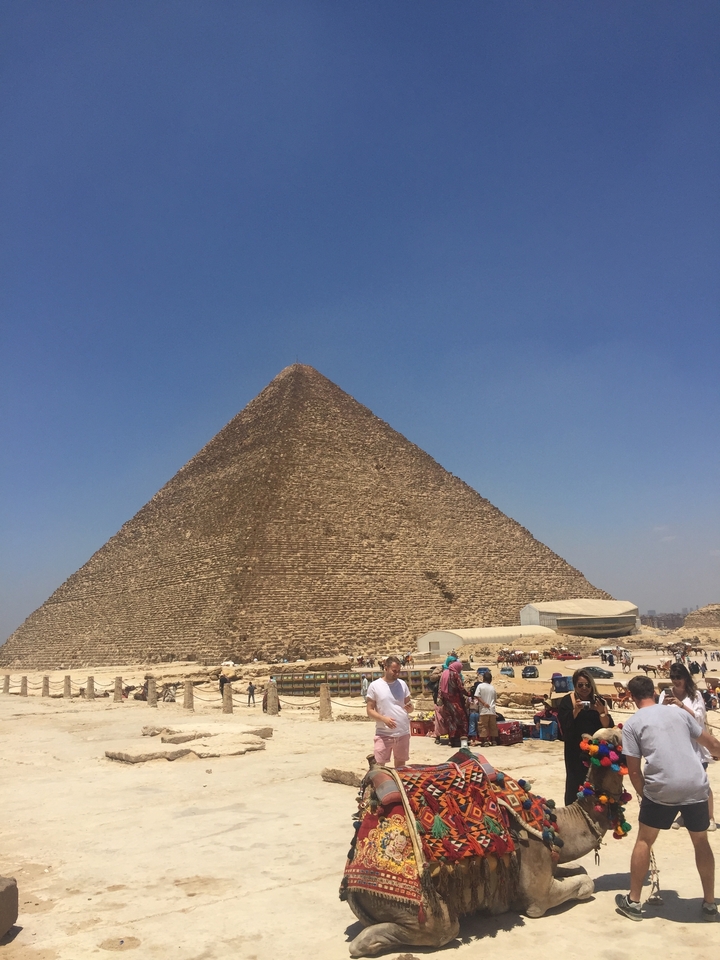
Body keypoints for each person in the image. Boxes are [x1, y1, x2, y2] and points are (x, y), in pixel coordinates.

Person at [616, 675, 720, 922]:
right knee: (700, 842)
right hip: (695, 785)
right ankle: (708, 903)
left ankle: (633, 901)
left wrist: (645, 795)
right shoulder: (680, 713)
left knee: (644, 840)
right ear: (654, 691)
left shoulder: (632, 724)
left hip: (662, 788)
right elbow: (712, 744)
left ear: (631, 697)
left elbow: (633, 770)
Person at [659, 663, 716, 831]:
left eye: (679, 677)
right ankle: (685, 815)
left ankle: (710, 816)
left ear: (685, 678)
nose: (676, 681)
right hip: (674, 742)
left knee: (701, 781)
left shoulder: (695, 694)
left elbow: (698, 718)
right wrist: (663, 705)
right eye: (673, 678)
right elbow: (660, 716)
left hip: (695, 744)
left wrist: (680, 704)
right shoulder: (665, 693)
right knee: (681, 781)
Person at [557, 668, 613, 806]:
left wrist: (601, 712)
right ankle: (573, 810)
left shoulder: (599, 701)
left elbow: (608, 727)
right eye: (580, 685)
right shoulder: (568, 701)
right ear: (575, 686)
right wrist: (576, 710)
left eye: (587, 685)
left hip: (595, 749)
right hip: (574, 750)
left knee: (597, 780)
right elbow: (564, 725)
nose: (584, 688)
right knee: (575, 780)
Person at [366, 656, 413, 767]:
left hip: (402, 732)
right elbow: (369, 710)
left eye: (399, 671)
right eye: (394, 671)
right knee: (379, 766)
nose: (397, 674)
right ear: (386, 668)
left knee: (401, 768)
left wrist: (411, 708)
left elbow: (409, 705)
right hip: (383, 733)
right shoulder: (374, 686)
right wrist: (384, 719)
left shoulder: (402, 684)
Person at [437, 660, 469, 747]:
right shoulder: (455, 674)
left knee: (450, 720)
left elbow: (440, 688)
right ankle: (461, 739)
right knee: (462, 719)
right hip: (455, 701)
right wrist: (469, 694)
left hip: (446, 701)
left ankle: (451, 739)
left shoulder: (444, 673)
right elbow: (460, 688)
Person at [474, 671, 498, 746]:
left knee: (483, 726)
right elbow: (495, 699)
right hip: (492, 710)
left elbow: (477, 696)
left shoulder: (480, 686)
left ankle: (484, 741)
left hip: (484, 710)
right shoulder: (492, 688)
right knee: (493, 726)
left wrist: (484, 703)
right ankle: (493, 741)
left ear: (483, 678)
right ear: (490, 680)